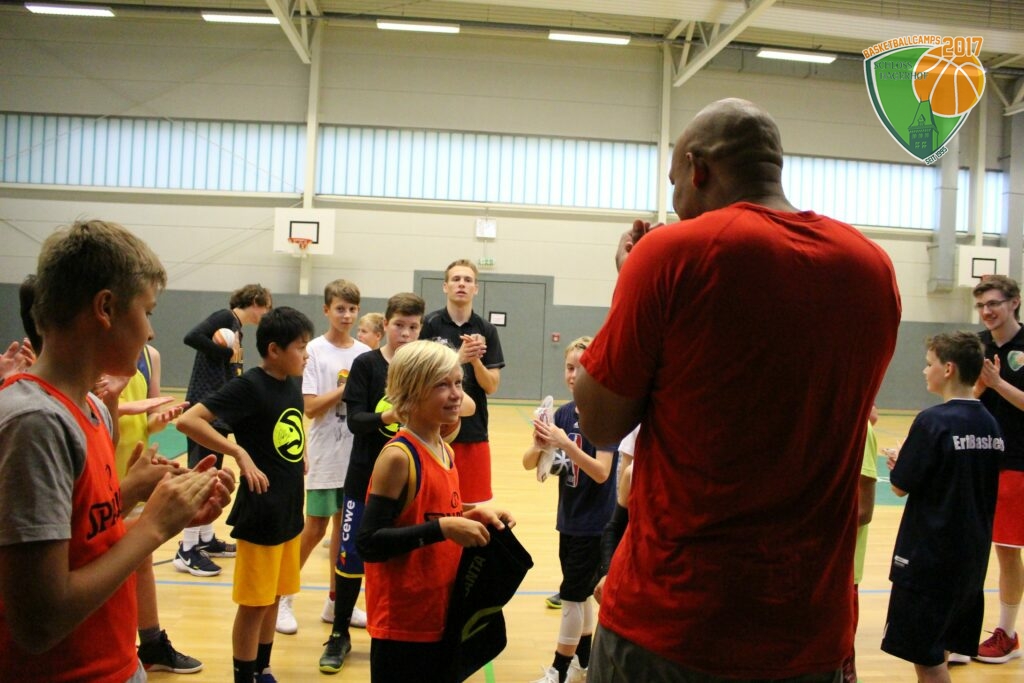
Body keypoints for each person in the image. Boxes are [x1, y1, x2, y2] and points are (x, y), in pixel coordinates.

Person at [573, 98, 901, 681]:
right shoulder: (872, 267)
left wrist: (631, 281)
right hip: (810, 628)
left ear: (697, 168)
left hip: (675, 621)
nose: (676, 199)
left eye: (674, 182)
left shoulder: (672, 253)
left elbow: (600, 422)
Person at [0, 219, 232, 682]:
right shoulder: (35, 423)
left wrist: (144, 498)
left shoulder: (89, 407)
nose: (150, 333)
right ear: (105, 308)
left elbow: (84, 535)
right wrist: (153, 527)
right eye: (147, 312)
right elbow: (39, 623)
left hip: (118, 662)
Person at [355, 339, 514, 683]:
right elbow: (368, 542)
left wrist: (472, 515)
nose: (457, 394)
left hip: (440, 612)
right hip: (402, 625)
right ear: (411, 393)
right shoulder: (398, 457)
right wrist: (444, 529)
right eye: (443, 385)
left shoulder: (444, 449)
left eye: (458, 382)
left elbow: (431, 512)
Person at [176, 306, 314, 683]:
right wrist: (237, 452)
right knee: (254, 605)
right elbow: (188, 420)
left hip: (289, 508)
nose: (306, 354)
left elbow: (285, 426)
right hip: (261, 512)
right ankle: (244, 676)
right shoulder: (249, 386)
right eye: (300, 347)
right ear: (274, 350)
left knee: (273, 597)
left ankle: (262, 669)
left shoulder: (291, 383)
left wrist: (300, 452)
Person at [881, 332, 1002, 682]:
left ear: (948, 369)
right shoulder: (990, 424)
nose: (924, 370)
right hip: (971, 562)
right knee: (942, 648)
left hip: (929, 561)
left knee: (928, 662)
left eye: (929, 363)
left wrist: (901, 461)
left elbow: (900, 485)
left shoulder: (932, 421)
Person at [318, 292, 425, 674]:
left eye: (413, 327)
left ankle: (398, 632)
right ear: (386, 325)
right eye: (399, 325)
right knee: (351, 557)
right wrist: (390, 416)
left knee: (404, 558)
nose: (406, 333)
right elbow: (355, 421)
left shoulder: (423, 366)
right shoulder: (366, 364)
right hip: (364, 477)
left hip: (410, 481)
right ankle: (339, 633)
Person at [276, 280, 370, 636]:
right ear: (327, 309)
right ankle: (282, 597)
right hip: (326, 453)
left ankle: (336, 601)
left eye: (352, 309)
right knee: (314, 528)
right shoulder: (313, 351)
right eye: (340, 308)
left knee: (345, 533)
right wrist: (346, 390)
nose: (346, 315)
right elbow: (311, 407)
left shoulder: (365, 352)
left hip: (356, 455)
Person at [523, 336, 616, 683]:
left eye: (582, 368)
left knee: (573, 598)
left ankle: (559, 671)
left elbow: (602, 471)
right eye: (569, 367)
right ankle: (584, 662)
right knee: (581, 596)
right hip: (570, 519)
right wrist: (539, 447)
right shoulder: (562, 414)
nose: (574, 374)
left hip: (596, 523)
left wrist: (565, 443)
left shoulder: (605, 415)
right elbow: (530, 464)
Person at [107, 344, 199, 674]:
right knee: (104, 563)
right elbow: (84, 408)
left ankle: (151, 644)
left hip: (136, 473)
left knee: (142, 559)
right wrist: (124, 407)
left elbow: (150, 420)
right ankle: (117, 647)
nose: (148, 327)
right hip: (105, 474)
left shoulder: (151, 356)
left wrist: (158, 420)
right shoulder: (97, 350)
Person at [176, 283, 272, 577]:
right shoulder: (224, 317)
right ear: (255, 301)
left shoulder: (238, 329)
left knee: (213, 476)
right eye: (266, 307)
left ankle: (205, 538)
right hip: (203, 409)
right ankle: (186, 548)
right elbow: (191, 337)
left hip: (218, 411)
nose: (266, 313)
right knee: (200, 476)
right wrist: (222, 350)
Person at [970, 274, 1024, 663]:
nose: (986, 311)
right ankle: (962, 630)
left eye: (993, 303)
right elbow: (965, 399)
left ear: (1014, 302)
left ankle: (1008, 633)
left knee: (1007, 549)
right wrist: (980, 386)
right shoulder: (976, 346)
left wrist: (997, 382)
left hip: (1017, 461)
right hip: (978, 461)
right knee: (972, 546)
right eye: (981, 305)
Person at [420, 259, 505, 506]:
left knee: (471, 506)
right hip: (433, 430)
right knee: (433, 503)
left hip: (473, 431)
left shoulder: (486, 330)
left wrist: (476, 361)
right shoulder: (429, 325)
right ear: (445, 286)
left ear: (475, 288)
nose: (461, 284)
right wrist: (458, 358)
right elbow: (419, 375)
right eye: (456, 279)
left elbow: (491, 386)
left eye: (468, 280)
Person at [843, 408, 879, 682]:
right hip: (807, 567)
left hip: (842, 569)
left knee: (842, 662)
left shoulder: (859, 427)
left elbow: (864, 510)